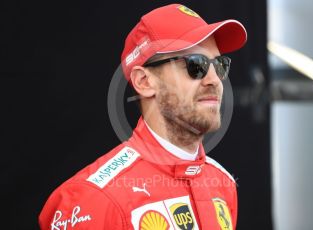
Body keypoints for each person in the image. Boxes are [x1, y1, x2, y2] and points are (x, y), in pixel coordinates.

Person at [39, 3, 247, 230]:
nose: (215, 80)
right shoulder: (94, 199)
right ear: (144, 82)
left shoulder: (222, 182)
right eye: (195, 65)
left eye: (219, 65)